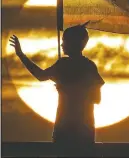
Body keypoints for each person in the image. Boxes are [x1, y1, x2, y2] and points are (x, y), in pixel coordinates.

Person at [9, 23, 105, 155]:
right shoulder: (88, 66)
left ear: (73, 43)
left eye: (64, 41)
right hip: (82, 130)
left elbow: (40, 76)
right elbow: (96, 98)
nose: (62, 45)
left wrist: (67, 88)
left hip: (70, 130)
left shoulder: (65, 65)